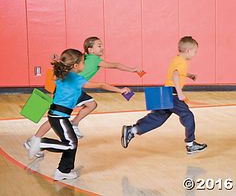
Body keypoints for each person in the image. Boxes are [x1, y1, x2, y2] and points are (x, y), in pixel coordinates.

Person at [25, 36, 140, 157]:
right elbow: (115, 66)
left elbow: (68, 62)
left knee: (89, 105)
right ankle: (35, 141)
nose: (102, 47)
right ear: (90, 50)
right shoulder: (95, 60)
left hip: (72, 88)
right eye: (99, 45)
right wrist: (131, 72)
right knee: (56, 119)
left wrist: (57, 60)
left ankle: (70, 125)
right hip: (72, 89)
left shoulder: (83, 58)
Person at [28, 48, 130, 180]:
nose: (85, 65)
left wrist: (57, 59)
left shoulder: (62, 73)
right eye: (83, 62)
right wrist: (120, 90)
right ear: (75, 66)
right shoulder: (76, 79)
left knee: (72, 142)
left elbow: (60, 64)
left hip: (57, 115)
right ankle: (41, 143)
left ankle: (63, 171)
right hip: (59, 116)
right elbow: (101, 84)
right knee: (70, 144)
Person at [121, 36, 207, 154]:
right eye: (195, 52)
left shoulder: (177, 59)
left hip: (166, 92)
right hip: (173, 94)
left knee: (158, 118)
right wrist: (180, 93)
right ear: (188, 51)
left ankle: (132, 130)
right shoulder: (181, 62)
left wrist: (190, 75)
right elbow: (176, 75)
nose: (195, 54)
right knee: (188, 115)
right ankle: (190, 144)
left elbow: (178, 72)